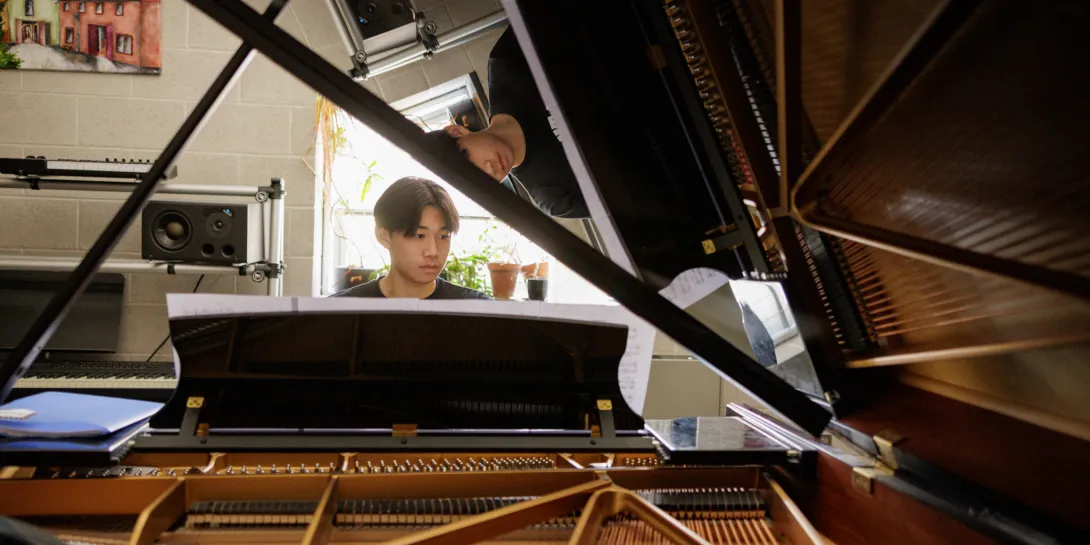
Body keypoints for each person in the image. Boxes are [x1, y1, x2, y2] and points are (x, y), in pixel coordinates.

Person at [423, 27, 589, 219]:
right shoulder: (555, 197)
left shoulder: (507, 63)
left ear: (456, 132)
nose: (490, 170)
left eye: (472, 164)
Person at [332, 177, 490, 300]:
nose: (433, 251)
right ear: (383, 236)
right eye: (419, 235)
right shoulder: (341, 311)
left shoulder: (477, 310)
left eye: (443, 236)